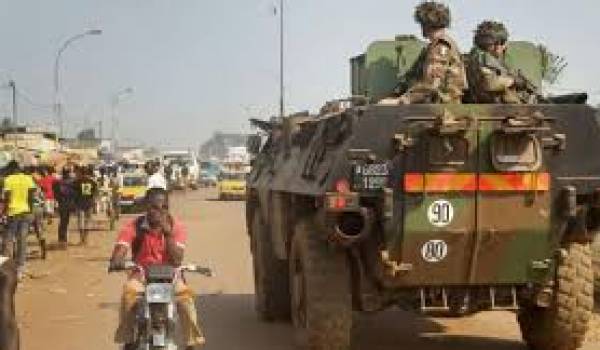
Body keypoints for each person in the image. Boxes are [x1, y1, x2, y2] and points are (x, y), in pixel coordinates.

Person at [109, 188, 205, 349]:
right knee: (128, 293)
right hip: (142, 277)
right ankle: (128, 340)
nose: (160, 212)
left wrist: (168, 235)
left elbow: (176, 260)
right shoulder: (134, 226)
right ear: (146, 206)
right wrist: (117, 260)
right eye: (154, 207)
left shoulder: (177, 227)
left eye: (164, 207)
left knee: (186, 299)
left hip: (171, 278)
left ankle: (192, 343)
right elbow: (121, 247)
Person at [381, 1, 467, 105]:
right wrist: (394, 96)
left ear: (427, 25)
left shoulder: (441, 47)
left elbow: (430, 85)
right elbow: (411, 77)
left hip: (441, 107)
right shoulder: (430, 48)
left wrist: (401, 100)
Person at [466, 20, 536, 104]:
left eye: (502, 42)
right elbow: (490, 83)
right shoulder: (481, 56)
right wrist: (514, 81)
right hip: (494, 108)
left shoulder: (496, 60)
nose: (499, 47)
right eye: (494, 43)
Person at [2, 161, 36, 279]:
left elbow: (7, 198)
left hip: (13, 212)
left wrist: (3, 212)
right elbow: (31, 196)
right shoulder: (28, 179)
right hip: (26, 211)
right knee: (22, 239)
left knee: (8, 239)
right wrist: (30, 210)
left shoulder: (8, 180)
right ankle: (20, 268)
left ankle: (6, 267)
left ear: (12, 169)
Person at [73, 166, 98, 245]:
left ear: (81, 173)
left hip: (80, 203)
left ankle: (81, 239)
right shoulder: (93, 182)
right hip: (89, 203)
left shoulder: (77, 182)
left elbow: (74, 193)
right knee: (88, 220)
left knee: (80, 221)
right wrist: (94, 202)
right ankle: (86, 239)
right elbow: (95, 193)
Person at [53, 167, 76, 249]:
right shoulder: (73, 182)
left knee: (62, 221)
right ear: (69, 173)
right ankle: (63, 239)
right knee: (65, 221)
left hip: (62, 204)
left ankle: (62, 239)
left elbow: (55, 194)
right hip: (69, 204)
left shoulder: (58, 182)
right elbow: (74, 194)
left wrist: (58, 200)